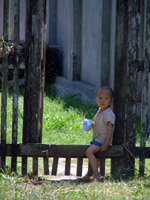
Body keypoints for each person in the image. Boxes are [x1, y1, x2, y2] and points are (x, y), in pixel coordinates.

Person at [85, 86, 115, 181]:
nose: (103, 100)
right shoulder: (100, 111)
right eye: (100, 98)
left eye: (106, 98)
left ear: (111, 101)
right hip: (97, 138)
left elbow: (110, 129)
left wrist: (106, 144)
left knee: (89, 152)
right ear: (96, 99)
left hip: (102, 140)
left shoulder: (108, 114)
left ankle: (96, 174)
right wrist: (92, 126)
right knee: (97, 158)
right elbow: (101, 125)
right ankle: (90, 173)